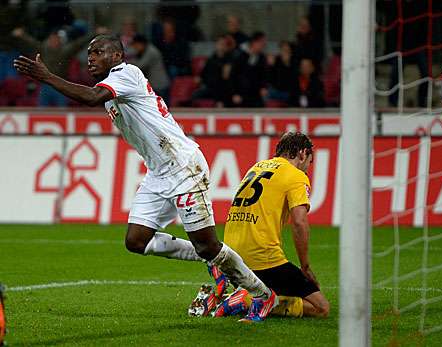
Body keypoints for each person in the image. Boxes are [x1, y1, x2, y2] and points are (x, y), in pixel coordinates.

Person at [13, 34, 277, 323]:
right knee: (137, 241)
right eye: (88, 53)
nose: (90, 58)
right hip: (158, 173)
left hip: (183, 166)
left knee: (208, 245)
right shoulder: (111, 88)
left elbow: (90, 97)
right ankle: (214, 263)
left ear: (116, 56)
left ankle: (263, 294)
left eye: (98, 52)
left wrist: (48, 76)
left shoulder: (126, 73)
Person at [190, 132, 329, 318]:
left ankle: (226, 298)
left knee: (278, 290)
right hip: (262, 257)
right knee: (321, 308)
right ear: (303, 153)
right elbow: (299, 222)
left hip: (231, 252)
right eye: (308, 163)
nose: (307, 169)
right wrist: (305, 267)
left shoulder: (256, 167)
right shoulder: (296, 176)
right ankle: (245, 300)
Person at [230, 31, 269, 107]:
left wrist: (264, 87)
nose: (264, 45)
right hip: (241, 95)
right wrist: (234, 93)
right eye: (262, 42)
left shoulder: (262, 58)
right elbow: (233, 76)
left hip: (256, 96)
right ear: (254, 42)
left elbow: (264, 76)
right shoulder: (240, 56)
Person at [129, 34, 170, 104]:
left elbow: (140, 65)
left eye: (136, 46)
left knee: (161, 111)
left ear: (141, 43)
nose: (135, 48)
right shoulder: (146, 50)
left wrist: (126, 63)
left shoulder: (151, 51)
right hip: (156, 85)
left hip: (159, 86)